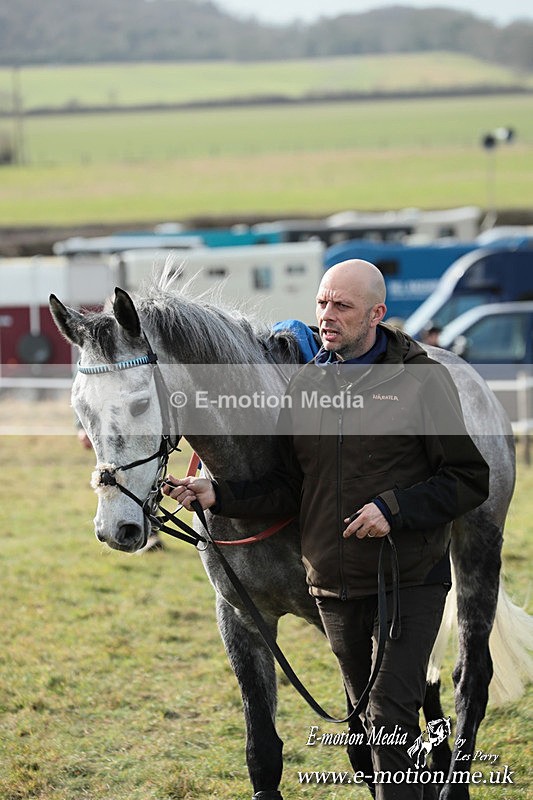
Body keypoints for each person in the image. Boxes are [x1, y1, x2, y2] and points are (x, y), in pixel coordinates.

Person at [163, 260, 489, 800]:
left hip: (407, 577)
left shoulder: (423, 380)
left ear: (377, 314)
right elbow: (293, 487)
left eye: (342, 306)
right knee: (366, 732)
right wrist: (219, 495)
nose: (325, 316)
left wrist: (394, 508)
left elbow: (467, 478)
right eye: (321, 303)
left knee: (387, 720)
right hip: (335, 588)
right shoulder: (309, 384)